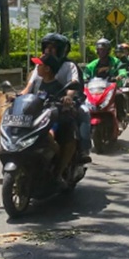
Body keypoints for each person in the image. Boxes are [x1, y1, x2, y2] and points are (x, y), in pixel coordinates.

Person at [20, 33, 91, 162]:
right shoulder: (41, 64)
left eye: (52, 48)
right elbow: (30, 85)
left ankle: (83, 150)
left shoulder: (69, 65)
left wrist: (68, 97)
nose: (48, 50)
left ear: (61, 50)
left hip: (64, 103)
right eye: (46, 47)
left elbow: (73, 84)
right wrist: (19, 96)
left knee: (84, 112)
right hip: (42, 103)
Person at [29, 53, 82, 177]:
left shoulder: (58, 86)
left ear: (47, 69)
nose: (37, 68)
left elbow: (64, 102)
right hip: (35, 118)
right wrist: (16, 98)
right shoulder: (37, 83)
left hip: (50, 120)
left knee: (50, 136)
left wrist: (66, 99)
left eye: (40, 65)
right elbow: (28, 97)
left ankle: (58, 168)